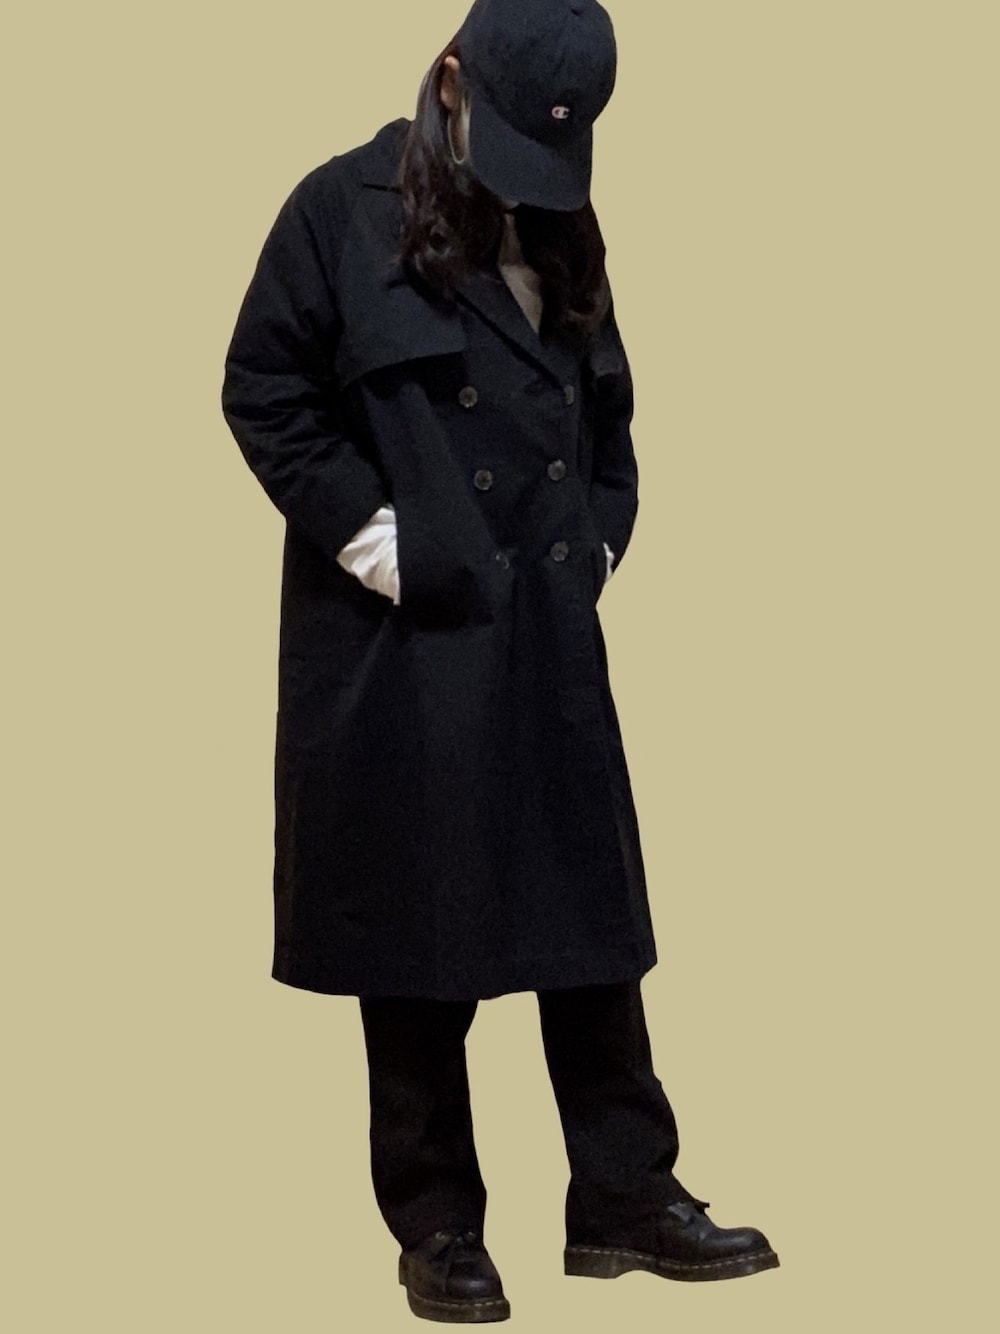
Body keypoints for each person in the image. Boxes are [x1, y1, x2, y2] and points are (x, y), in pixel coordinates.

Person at [221, 0, 778, 1322]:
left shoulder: (564, 226)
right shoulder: (337, 210)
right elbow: (263, 389)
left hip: (548, 629)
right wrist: (383, 544)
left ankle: (625, 1194)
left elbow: (608, 415)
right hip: (405, 641)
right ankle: (437, 1224)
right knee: (419, 938)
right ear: (450, 80)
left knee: (591, 922)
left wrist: (597, 545)